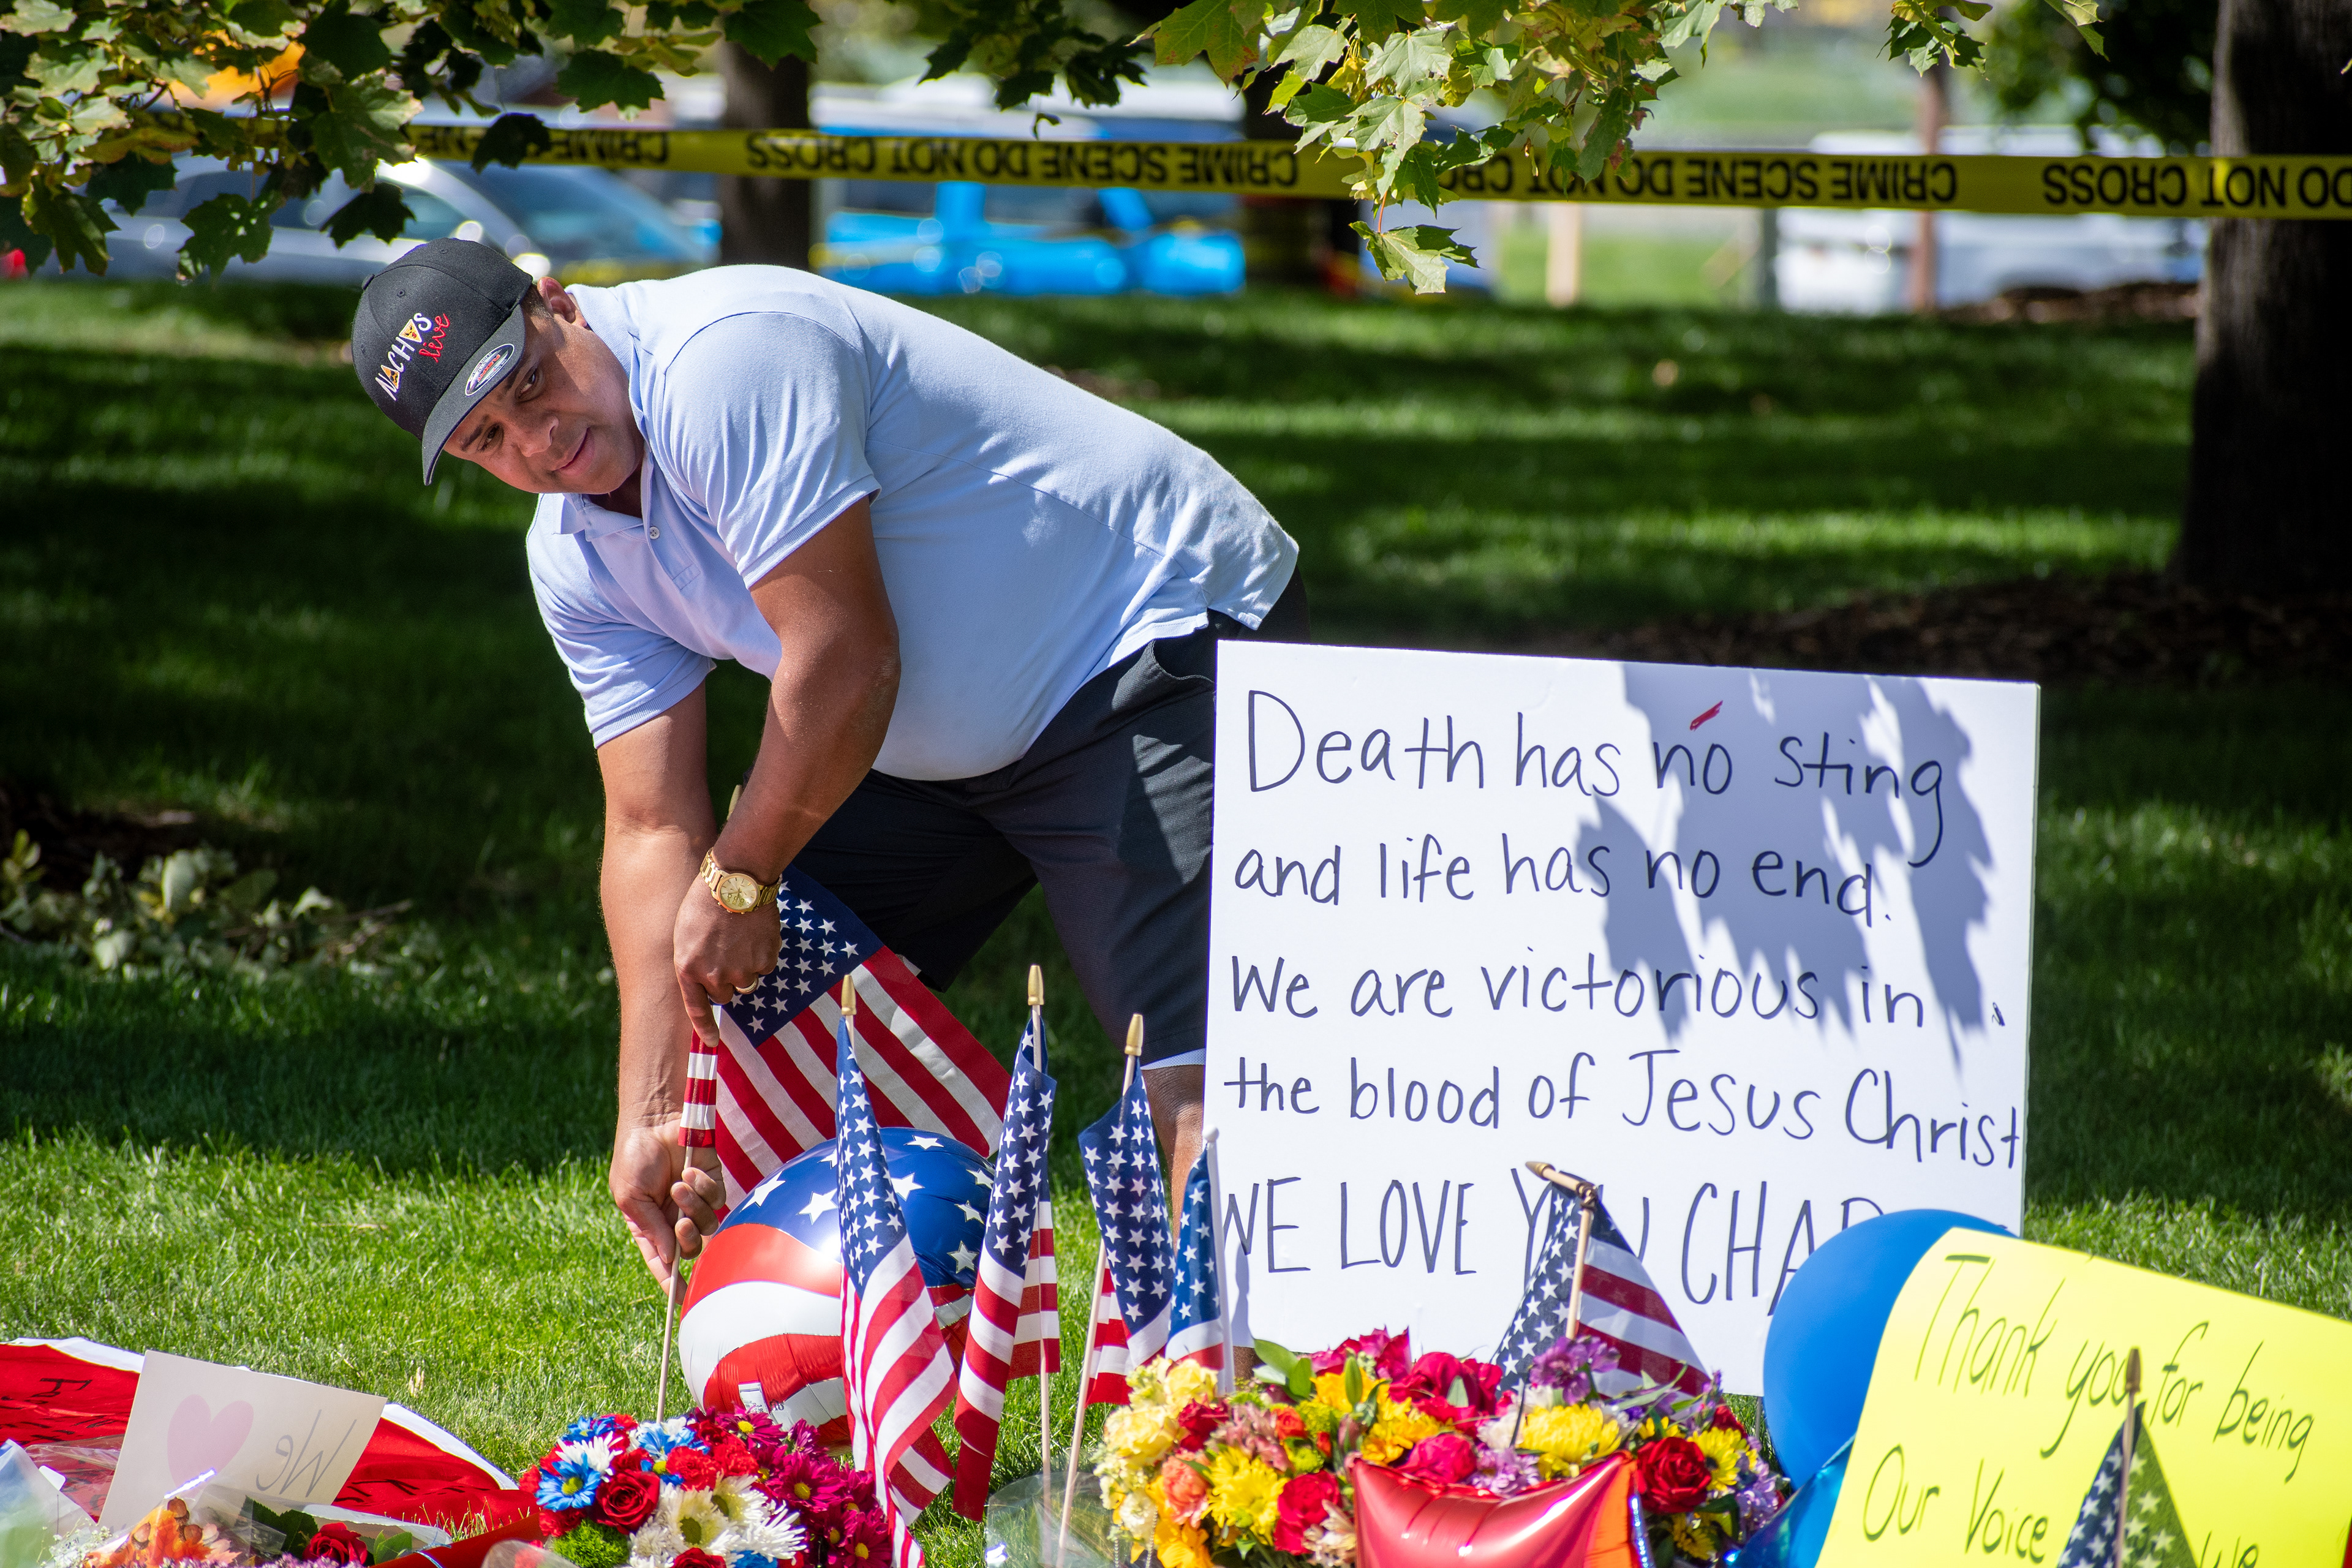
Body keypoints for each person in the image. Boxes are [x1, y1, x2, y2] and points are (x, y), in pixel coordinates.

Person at [350, 239, 1302, 1288]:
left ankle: (1234, 1407)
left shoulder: (724, 362)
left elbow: (845, 661)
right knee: (762, 1018)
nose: (541, 439)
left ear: (557, 303)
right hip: (916, 731)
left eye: (532, 382)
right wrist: (657, 1105)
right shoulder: (572, 559)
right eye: (491, 438)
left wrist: (746, 872)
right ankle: (808, 1363)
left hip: (1137, 636)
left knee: (1183, 1056)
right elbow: (653, 826)